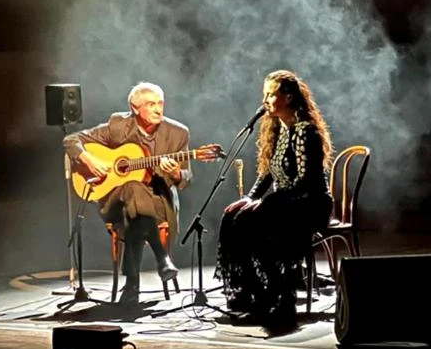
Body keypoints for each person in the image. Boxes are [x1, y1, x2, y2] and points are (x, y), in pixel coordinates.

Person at [214, 70, 334, 331]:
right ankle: (255, 294)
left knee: (255, 224)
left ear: (289, 98)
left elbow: (307, 183)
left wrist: (267, 203)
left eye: (271, 94)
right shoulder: (280, 128)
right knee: (234, 217)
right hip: (286, 201)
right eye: (264, 94)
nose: (265, 100)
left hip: (310, 204)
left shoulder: (305, 132)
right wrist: (250, 198)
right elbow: (269, 172)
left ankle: (279, 298)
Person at [63, 82, 192, 304]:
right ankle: (163, 259)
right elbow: (71, 139)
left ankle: (132, 285)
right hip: (116, 201)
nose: (158, 109)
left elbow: (187, 177)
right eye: (151, 104)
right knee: (132, 189)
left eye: (160, 103)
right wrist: (89, 159)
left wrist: (178, 174)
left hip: (159, 202)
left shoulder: (178, 133)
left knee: (136, 206)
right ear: (134, 107)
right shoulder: (117, 126)